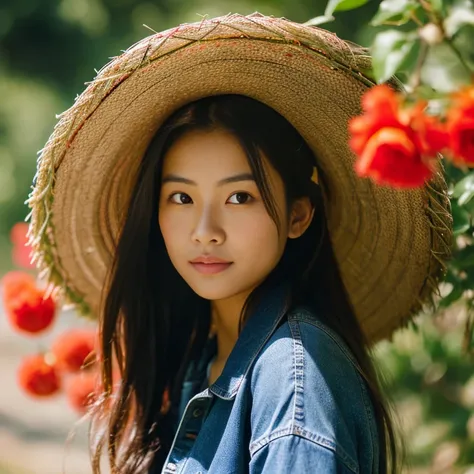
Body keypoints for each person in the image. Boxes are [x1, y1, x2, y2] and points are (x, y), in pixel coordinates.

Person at [25, 12, 452, 474]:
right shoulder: (205, 358)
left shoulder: (294, 383)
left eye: (239, 196)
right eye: (182, 197)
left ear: (297, 215)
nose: (206, 229)